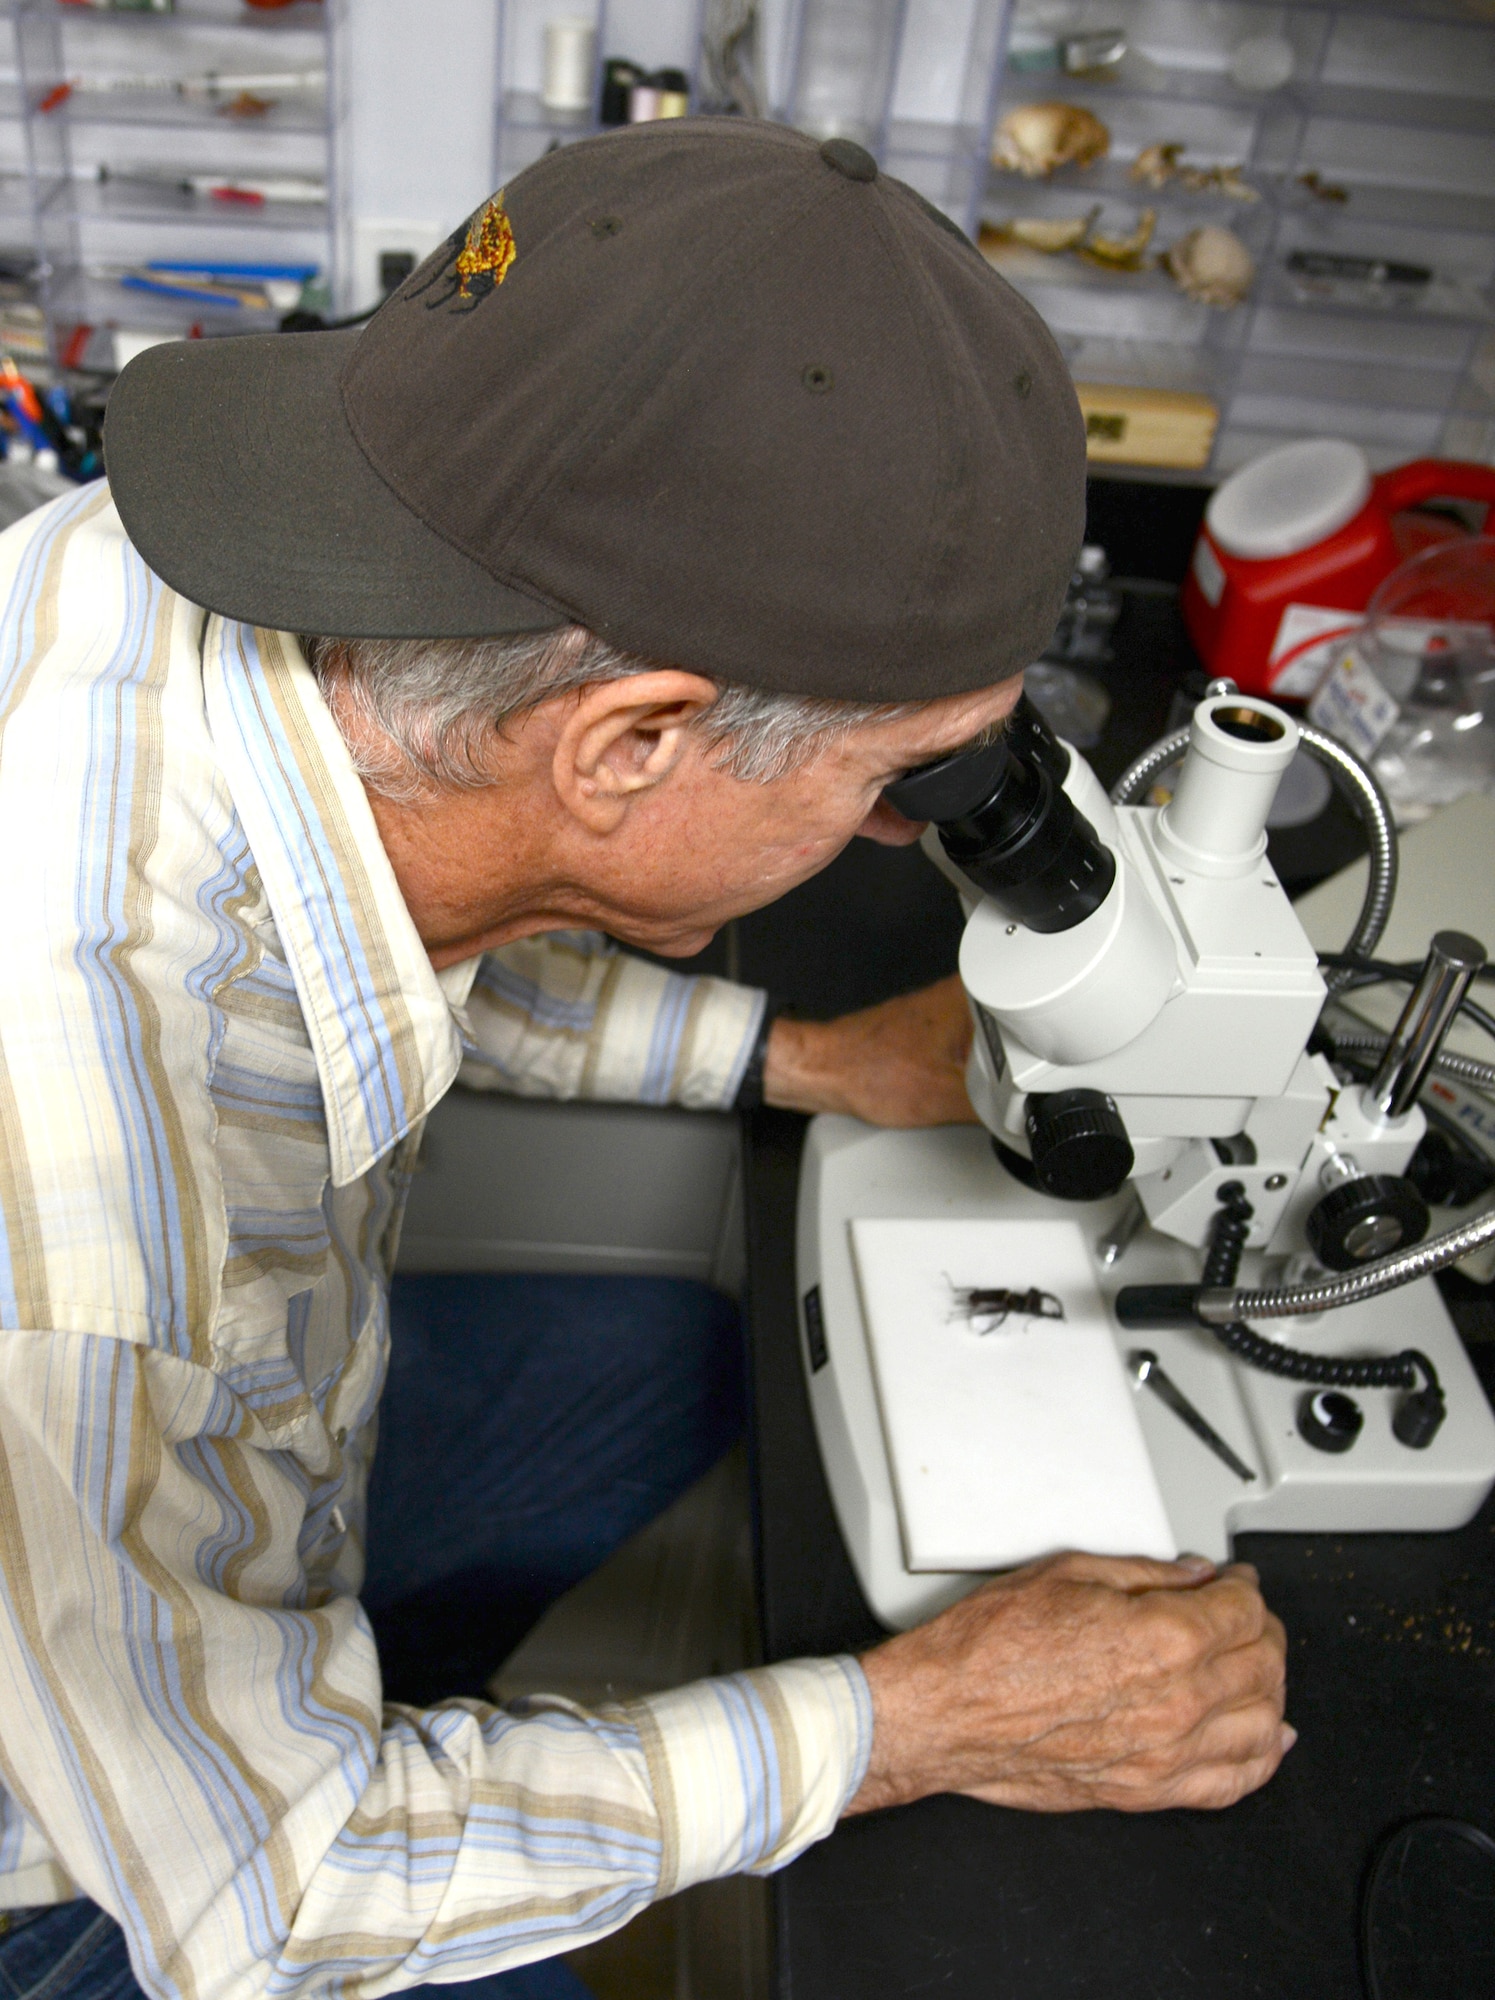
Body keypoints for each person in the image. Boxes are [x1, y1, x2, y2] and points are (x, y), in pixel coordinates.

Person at [0, 120, 1288, 2000]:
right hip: (105, 1870)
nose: (901, 839)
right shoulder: (108, 1230)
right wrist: (926, 1719)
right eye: (897, 783)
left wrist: (814, 1056)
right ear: (633, 743)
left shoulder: (239, 597)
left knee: (689, 1366)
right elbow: (271, 1891)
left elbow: (417, 899)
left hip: (228, 1484)